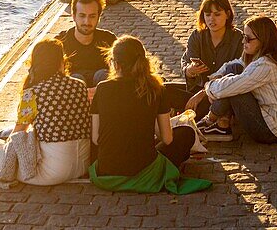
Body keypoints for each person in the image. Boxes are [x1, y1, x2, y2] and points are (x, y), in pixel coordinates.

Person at [89, 36, 211, 194]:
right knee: (186, 133)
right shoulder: (154, 88)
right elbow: (166, 138)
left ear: (115, 63)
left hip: (107, 172)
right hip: (143, 171)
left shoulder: (102, 88)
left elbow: (95, 139)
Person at [0, 38, 91, 185]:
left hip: (52, 172)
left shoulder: (33, 93)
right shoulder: (80, 85)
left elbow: (18, 134)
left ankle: (3, 168)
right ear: (61, 62)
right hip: (82, 165)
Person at [187, 16, 277, 144]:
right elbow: (232, 65)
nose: (243, 42)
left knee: (233, 88)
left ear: (263, 40)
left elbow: (230, 86)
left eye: (248, 38)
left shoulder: (265, 66)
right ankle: (221, 126)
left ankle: (209, 121)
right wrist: (215, 78)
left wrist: (207, 87)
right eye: (243, 37)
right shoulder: (264, 56)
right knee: (233, 70)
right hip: (275, 122)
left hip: (272, 131)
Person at [58, 0, 116, 88]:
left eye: (92, 16)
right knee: (75, 79)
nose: (87, 21)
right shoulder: (60, 43)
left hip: (103, 96)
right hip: (72, 97)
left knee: (103, 75)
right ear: (74, 16)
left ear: (99, 17)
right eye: (82, 15)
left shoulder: (109, 40)